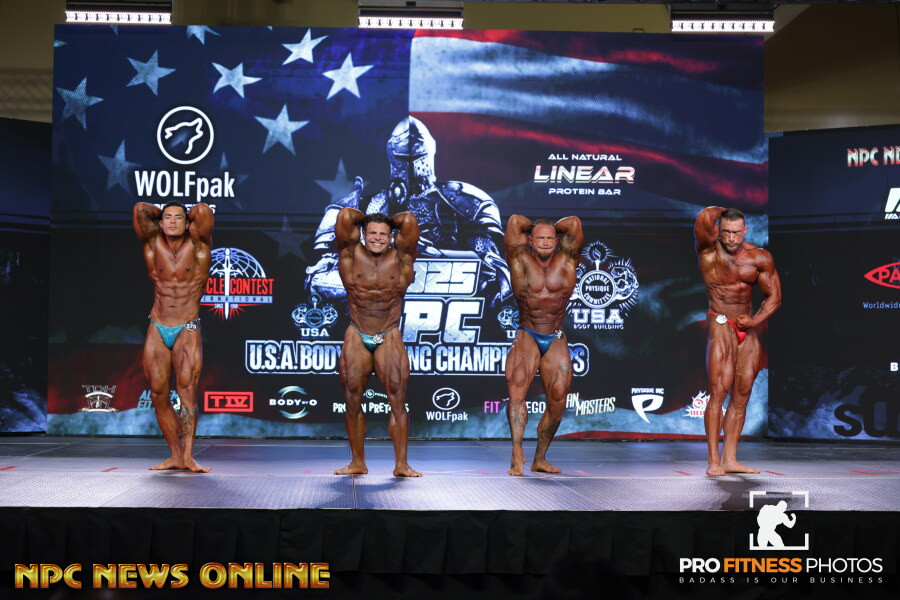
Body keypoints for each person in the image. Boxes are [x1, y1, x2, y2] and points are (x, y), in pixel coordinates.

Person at [306, 116, 511, 306]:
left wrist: (437, 255)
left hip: (444, 285)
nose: (411, 167)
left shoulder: (462, 200)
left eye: (417, 157)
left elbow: (491, 265)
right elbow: (323, 271)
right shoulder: (366, 204)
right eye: (403, 159)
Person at [334, 207, 421, 477]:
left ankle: (401, 465)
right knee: (352, 399)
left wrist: (385, 222)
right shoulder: (350, 253)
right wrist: (370, 219)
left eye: (384, 234)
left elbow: (408, 220)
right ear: (363, 233)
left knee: (398, 399)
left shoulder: (402, 256)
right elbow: (345, 215)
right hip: (357, 332)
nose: (378, 238)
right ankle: (357, 462)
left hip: (389, 333)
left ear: (392, 236)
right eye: (372, 233)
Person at [694, 207, 781, 476]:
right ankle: (713, 460)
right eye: (726, 232)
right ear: (720, 231)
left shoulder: (759, 257)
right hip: (720, 321)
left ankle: (730, 458)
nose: (731, 238)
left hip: (747, 326)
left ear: (745, 231)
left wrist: (755, 321)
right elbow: (703, 219)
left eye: (736, 233)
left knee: (742, 394)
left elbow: (774, 296)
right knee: (719, 391)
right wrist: (723, 211)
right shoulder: (708, 251)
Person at [132, 200, 213, 473]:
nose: (172, 222)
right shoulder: (152, 244)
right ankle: (175, 455)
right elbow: (140, 209)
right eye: (167, 218)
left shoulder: (199, 245)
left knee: (187, 392)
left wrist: (185, 215)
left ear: (188, 222)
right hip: (158, 324)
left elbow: (204, 211)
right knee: (158, 393)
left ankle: (189, 456)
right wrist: (163, 213)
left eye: (178, 218)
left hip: (187, 327)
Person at [504, 215, 583, 476]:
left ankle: (540, 458)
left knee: (558, 400)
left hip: (556, 336)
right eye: (540, 238)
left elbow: (574, 223)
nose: (546, 242)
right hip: (527, 333)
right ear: (530, 240)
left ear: (557, 241)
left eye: (550, 238)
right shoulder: (519, 259)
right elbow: (515, 222)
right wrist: (537, 227)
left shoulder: (568, 259)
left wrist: (548, 227)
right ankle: (516, 454)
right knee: (517, 393)